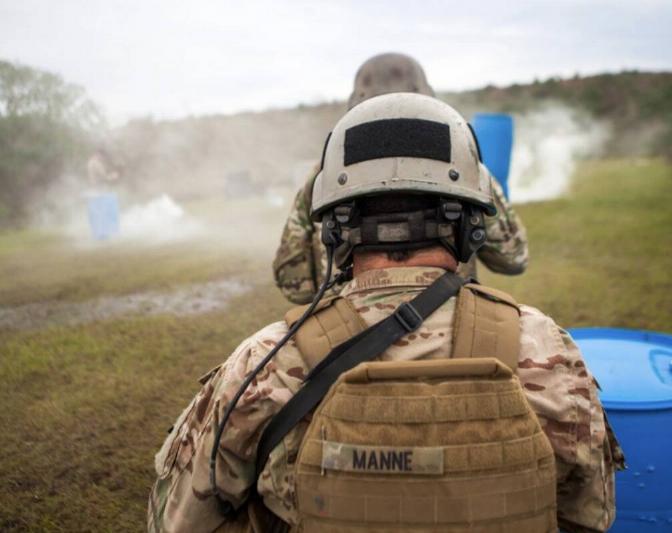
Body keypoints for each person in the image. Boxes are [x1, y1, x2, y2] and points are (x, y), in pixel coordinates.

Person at [148, 93, 624, 533]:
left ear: (335, 232)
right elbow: (587, 516)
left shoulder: (266, 363)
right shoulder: (547, 350)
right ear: (470, 229)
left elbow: (178, 521)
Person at [273, 52, 528, 305]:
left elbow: (294, 285)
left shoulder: (325, 174)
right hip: (452, 326)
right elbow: (512, 257)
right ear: (427, 100)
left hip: (345, 335)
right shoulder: (459, 160)